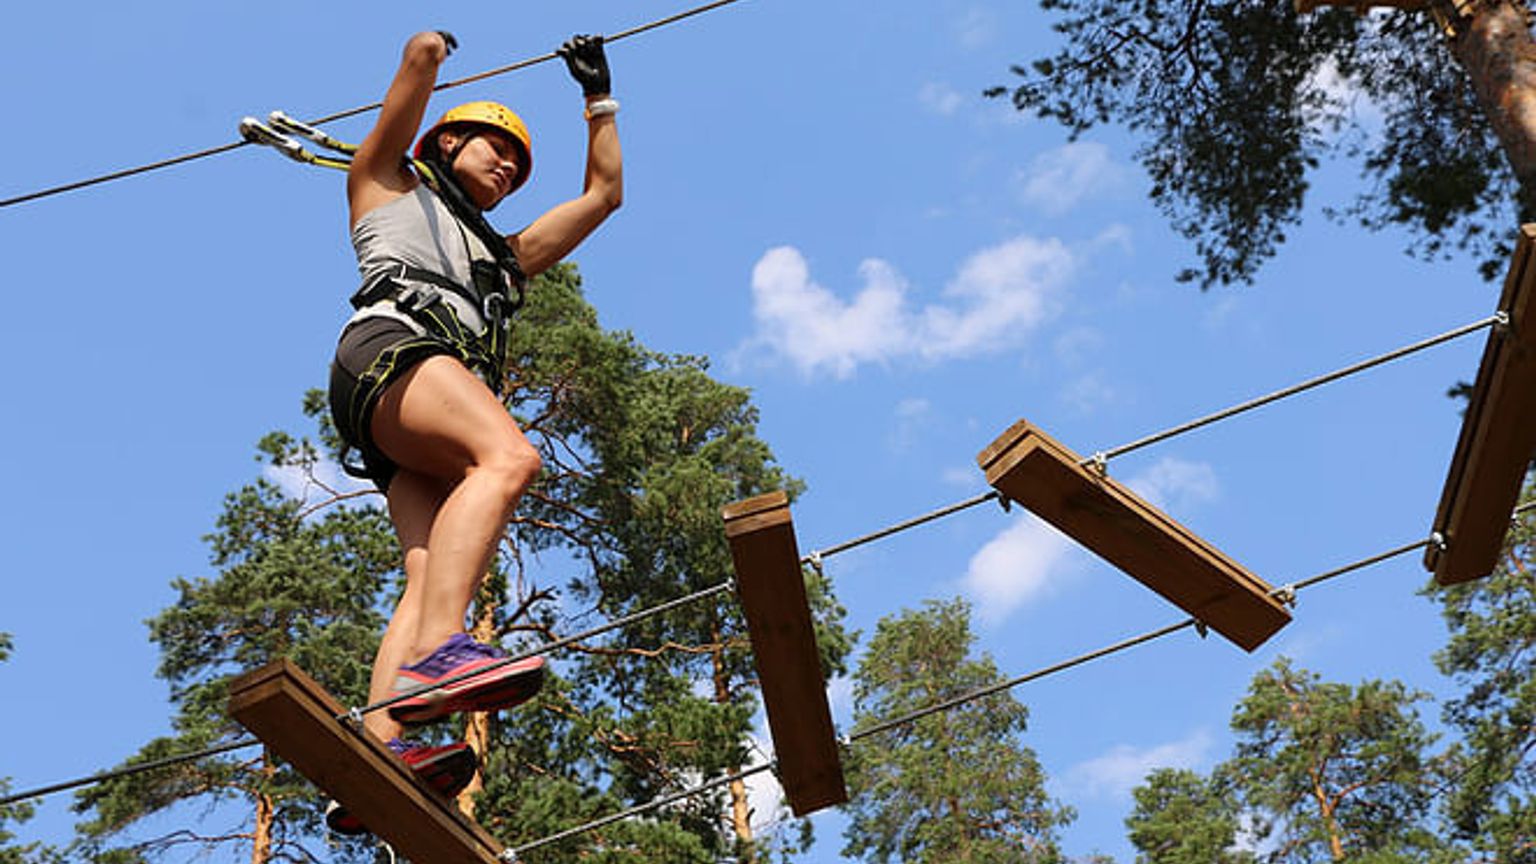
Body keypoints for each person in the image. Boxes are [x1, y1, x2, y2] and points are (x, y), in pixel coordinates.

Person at [323, 29, 621, 834]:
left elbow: (602, 198)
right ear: (448, 140)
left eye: (520, 167)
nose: (511, 168)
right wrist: (428, 51)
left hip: (407, 410)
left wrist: (599, 99)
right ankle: (441, 657)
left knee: (423, 578)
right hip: (391, 355)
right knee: (510, 456)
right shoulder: (385, 184)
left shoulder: (504, 257)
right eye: (499, 150)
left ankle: (383, 744)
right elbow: (413, 74)